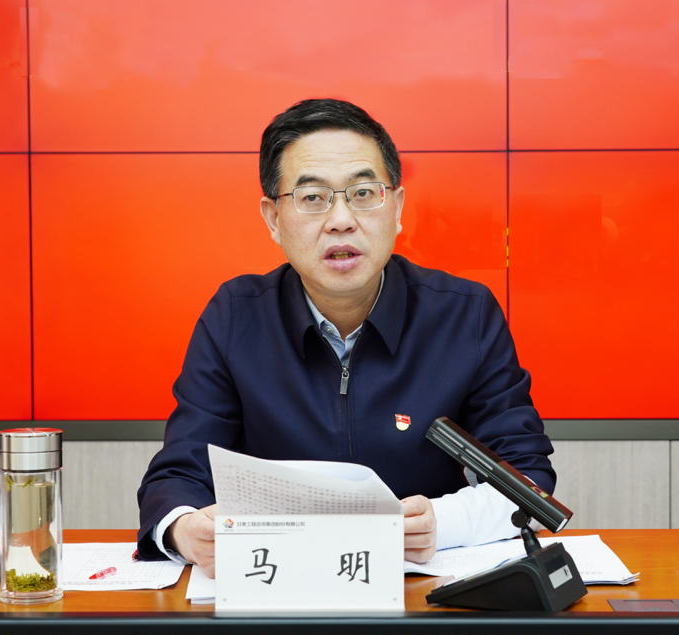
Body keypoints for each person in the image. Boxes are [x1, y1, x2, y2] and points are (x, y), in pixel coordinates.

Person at [137, 99, 555, 577]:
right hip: (279, 588)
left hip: (422, 593)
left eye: (362, 193)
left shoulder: (464, 314)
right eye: (313, 197)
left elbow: (527, 478)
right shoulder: (235, 315)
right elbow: (178, 474)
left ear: (396, 208)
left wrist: (442, 523)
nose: (341, 219)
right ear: (273, 218)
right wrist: (185, 528)